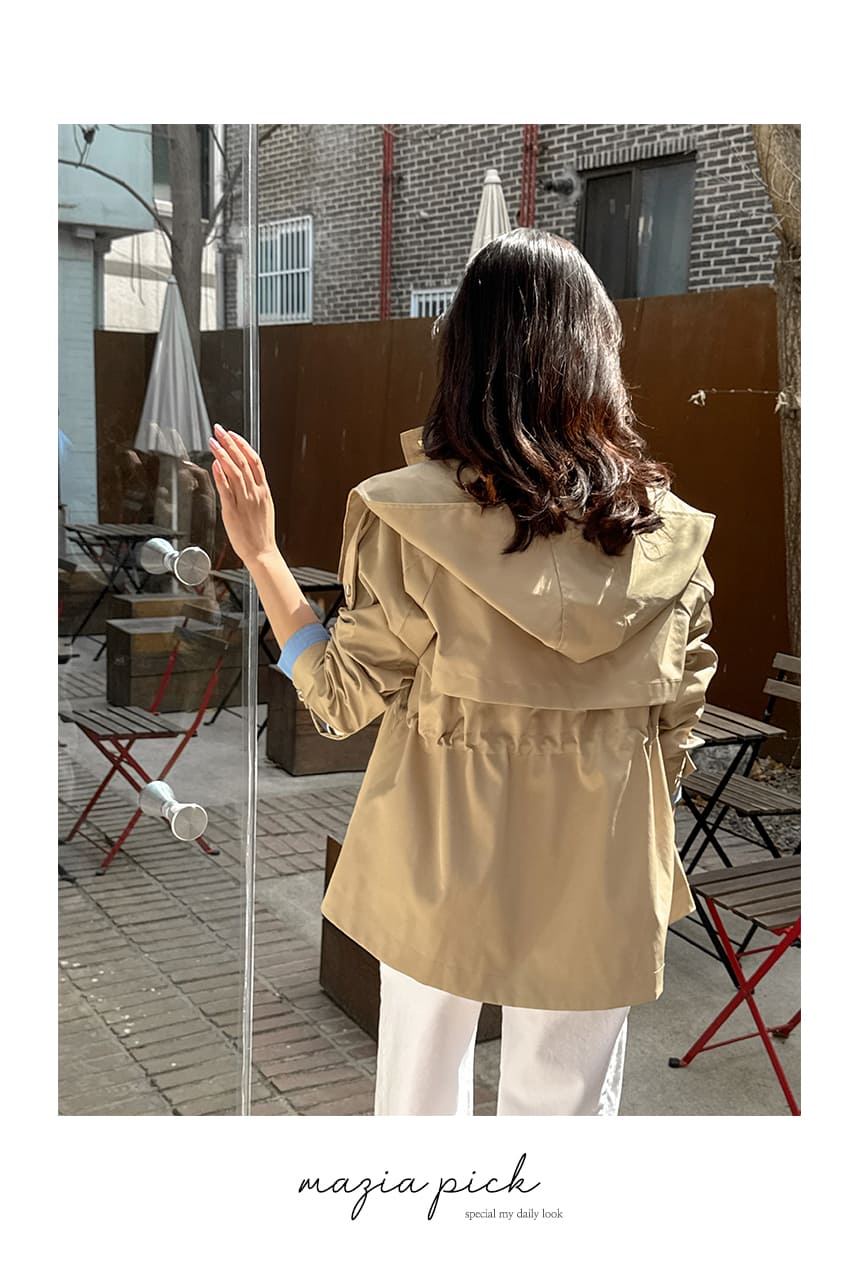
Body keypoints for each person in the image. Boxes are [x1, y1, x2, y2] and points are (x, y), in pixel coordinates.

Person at [209, 227, 718, 1117]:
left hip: (437, 857)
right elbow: (677, 727)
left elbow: (338, 697)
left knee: (417, 1111)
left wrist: (263, 557)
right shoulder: (669, 538)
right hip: (603, 861)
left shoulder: (411, 521)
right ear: (598, 355)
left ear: (467, 355)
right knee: (562, 1126)